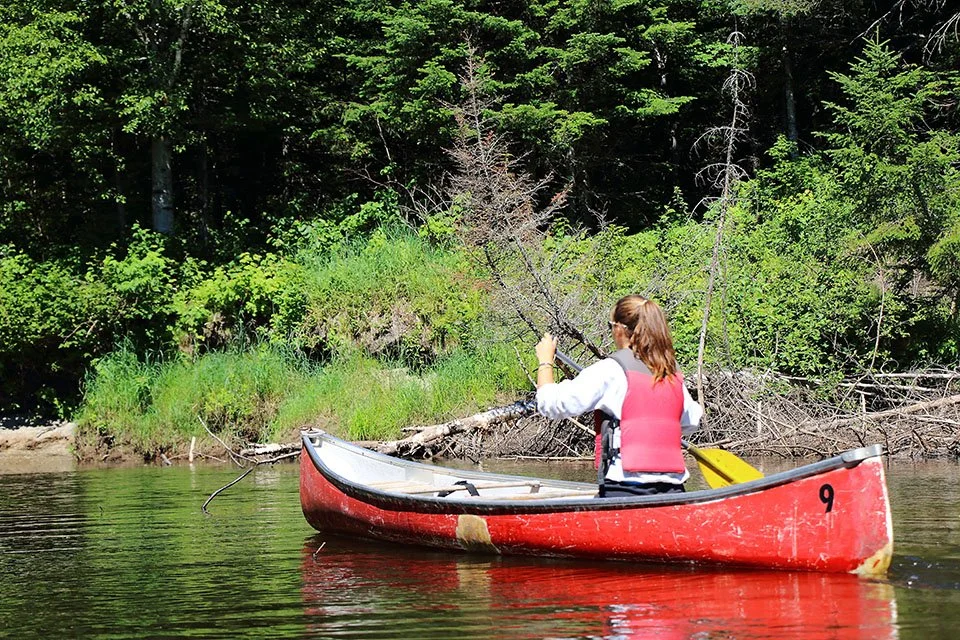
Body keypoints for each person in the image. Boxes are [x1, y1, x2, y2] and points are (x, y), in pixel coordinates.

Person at [534, 295, 702, 497]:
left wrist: (545, 362)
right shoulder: (671, 373)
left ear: (621, 329)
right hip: (673, 489)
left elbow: (550, 404)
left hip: (625, 488)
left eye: (610, 325)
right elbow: (691, 421)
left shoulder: (610, 370)